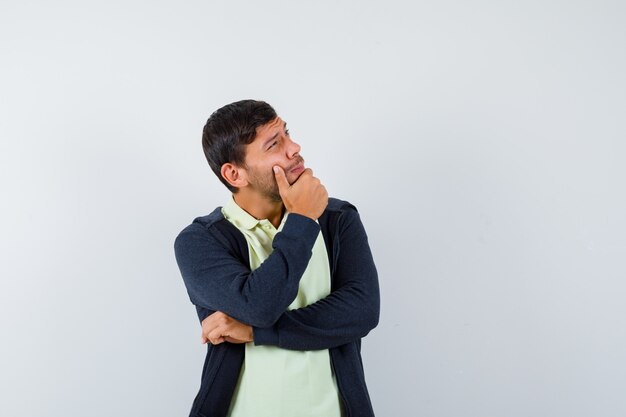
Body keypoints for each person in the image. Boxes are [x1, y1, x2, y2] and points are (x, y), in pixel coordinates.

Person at [174, 99, 380, 417]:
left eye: (287, 133)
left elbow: (361, 311)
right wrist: (303, 220)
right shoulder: (200, 241)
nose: (294, 147)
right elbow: (260, 305)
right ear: (234, 174)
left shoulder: (338, 219)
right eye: (274, 144)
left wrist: (257, 332)